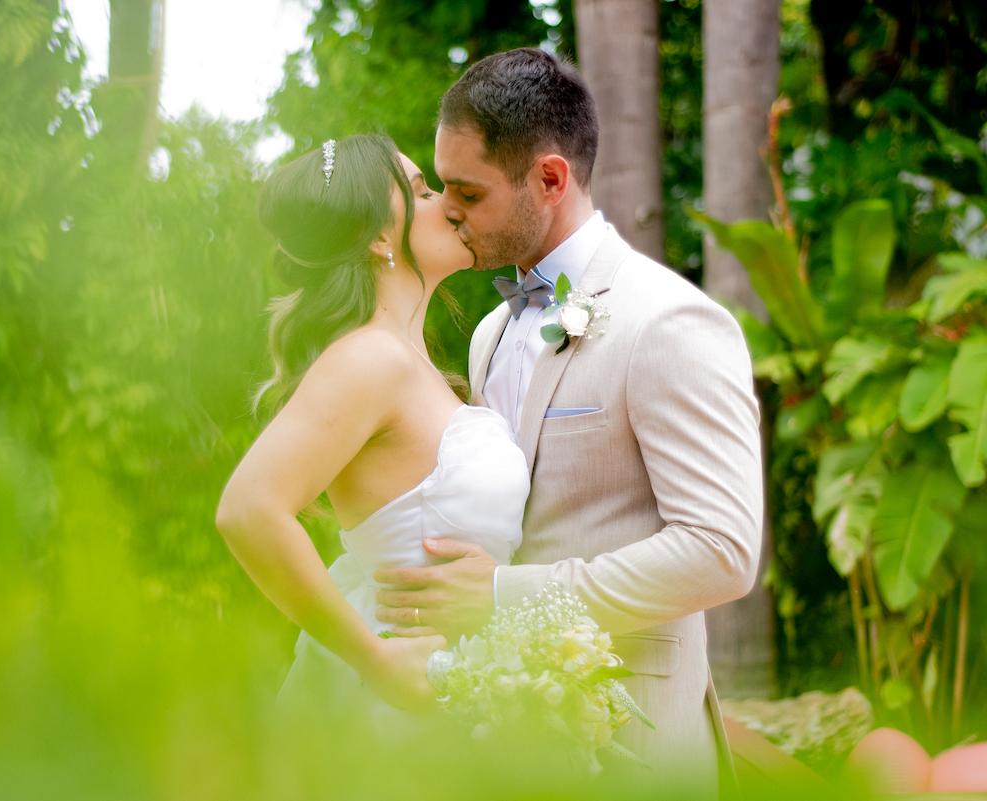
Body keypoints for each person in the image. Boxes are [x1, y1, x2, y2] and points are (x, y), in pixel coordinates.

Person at [371, 47, 764, 791]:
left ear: (550, 179)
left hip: (636, 744)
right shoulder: (490, 333)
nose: (448, 209)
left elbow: (721, 548)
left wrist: (502, 596)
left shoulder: (669, 322)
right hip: (509, 744)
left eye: (468, 190)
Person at [214, 134, 529, 716]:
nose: (448, 203)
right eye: (421, 190)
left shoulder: (414, 365)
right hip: (399, 702)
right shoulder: (370, 359)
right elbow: (248, 509)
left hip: (470, 686)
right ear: (380, 236)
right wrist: (374, 660)